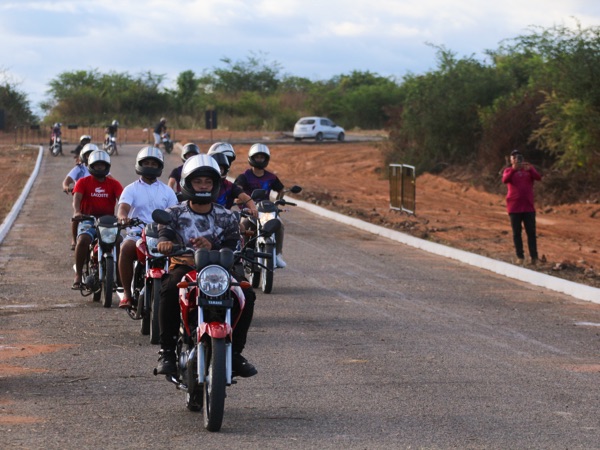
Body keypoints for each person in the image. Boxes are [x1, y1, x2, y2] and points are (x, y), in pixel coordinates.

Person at [154, 154, 257, 378]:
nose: (203, 186)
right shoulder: (174, 213)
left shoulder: (227, 217)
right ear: (187, 184)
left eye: (208, 182)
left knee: (246, 295)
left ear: (215, 185)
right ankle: (167, 352)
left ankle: (236, 353)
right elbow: (165, 234)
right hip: (186, 268)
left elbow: (232, 245)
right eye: (198, 181)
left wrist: (213, 246)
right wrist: (164, 243)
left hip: (219, 270)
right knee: (170, 288)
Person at [116, 146, 178, 309]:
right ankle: (127, 295)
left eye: (154, 163)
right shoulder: (130, 189)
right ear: (139, 165)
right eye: (147, 163)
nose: (150, 166)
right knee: (126, 248)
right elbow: (123, 208)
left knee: (182, 255)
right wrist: (123, 218)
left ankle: (176, 296)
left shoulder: (168, 191)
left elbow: (175, 213)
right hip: (137, 234)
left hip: (162, 235)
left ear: (160, 166)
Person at [71, 150, 123, 289]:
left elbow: (122, 201)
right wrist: (77, 211)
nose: (100, 168)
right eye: (97, 165)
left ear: (107, 166)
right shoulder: (83, 182)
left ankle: (118, 274)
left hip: (108, 221)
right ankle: (78, 274)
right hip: (88, 219)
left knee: (118, 241)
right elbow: (77, 198)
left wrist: (122, 215)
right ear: (90, 166)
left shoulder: (114, 184)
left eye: (102, 165)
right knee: (83, 240)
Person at [234, 143, 287, 268]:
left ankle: (277, 254)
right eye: (257, 157)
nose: (259, 160)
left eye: (262, 157)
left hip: (266, 210)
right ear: (251, 158)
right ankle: (242, 254)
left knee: (279, 226)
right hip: (249, 211)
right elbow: (237, 192)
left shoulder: (271, 177)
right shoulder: (244, 177)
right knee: (243, 226)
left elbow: (281, 189)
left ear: (266, 159)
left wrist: (279, 201)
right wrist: (240, 200)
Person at [502, 149, 542, 265]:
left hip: (528, 207)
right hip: (514, 207)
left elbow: (538, 178)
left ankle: (534, 257)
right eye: (514, 157)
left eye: (518, 157)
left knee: (531, 232)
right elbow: (505, 180)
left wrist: (530, 170)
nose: (516, 159)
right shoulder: (508, 170)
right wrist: (514, 170)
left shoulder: (529, 170)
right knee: (516, 233)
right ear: (510, 160)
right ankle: (520, 256)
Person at [207, 146, 258, 216]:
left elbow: (245, 197)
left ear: (225, 170)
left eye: (220, 168)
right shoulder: (202, 185)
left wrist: (253, 208)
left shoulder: (229, 186)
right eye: (215, 167)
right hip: (202, 219)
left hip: (225, 220)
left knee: (241, 226)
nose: (217, 170)